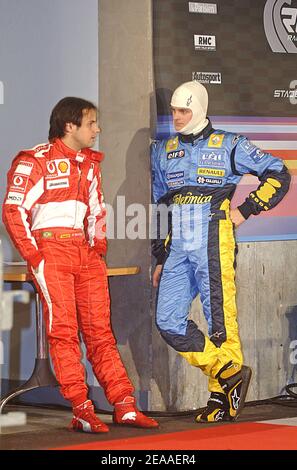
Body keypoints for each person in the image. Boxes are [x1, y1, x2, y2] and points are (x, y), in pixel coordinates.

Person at [3, 97, 158, 433]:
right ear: (69, 125)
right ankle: (81, 408)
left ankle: (124, 405)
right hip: (51, 252)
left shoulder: (89, 164)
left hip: (85, 255)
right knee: (64, 333)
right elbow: (12, 211)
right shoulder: (34, 161)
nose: (98, 130)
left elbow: (97, 210)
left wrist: (97, 247)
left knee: (102, 332)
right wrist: (35, 256)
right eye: (91, 123)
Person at [151, 81, 291, 423]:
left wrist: (247, 209)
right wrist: (159, 255)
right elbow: (158, 205)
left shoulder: (230, 144)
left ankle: (220, 395)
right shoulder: (162, 150)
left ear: (198, 108)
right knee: (167, 321)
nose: (177, 117)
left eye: (184, 110)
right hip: (177, 247)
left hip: (214, 240)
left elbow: (278, 173)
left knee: (220, 323)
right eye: (173, 110)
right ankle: (229, 372)